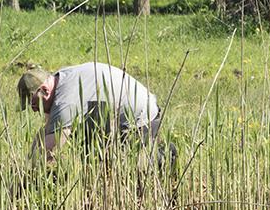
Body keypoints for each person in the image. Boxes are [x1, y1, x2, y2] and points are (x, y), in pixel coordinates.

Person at [17, 62, 162, 164]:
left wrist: (28, 173)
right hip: (110, 115)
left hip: (139, 119)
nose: (33, 108)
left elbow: (51, 148)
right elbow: (47, 131)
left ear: (45, 90)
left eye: (33, 102)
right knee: (92, 156)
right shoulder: (59, 80)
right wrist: (30, 157)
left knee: (131, 168)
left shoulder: (65, 101)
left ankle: (165, 158)